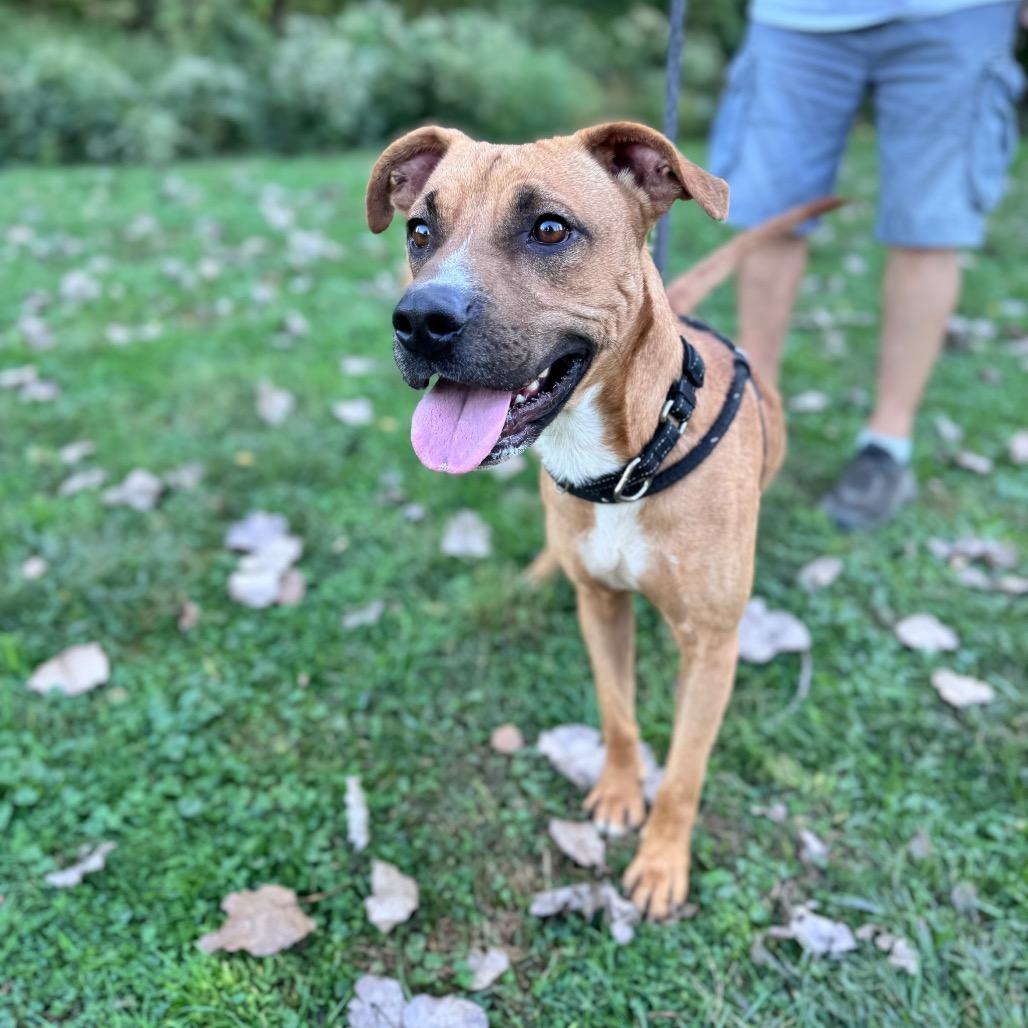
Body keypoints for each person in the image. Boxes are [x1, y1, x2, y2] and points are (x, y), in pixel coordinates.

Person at [708, 1, 1025, 529]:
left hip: (957, 12)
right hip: (797, 17)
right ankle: (753, 416)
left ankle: (887, 445)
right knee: (771, 218)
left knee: (929, 229)